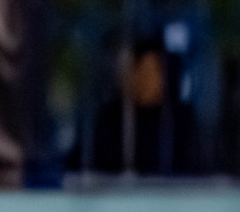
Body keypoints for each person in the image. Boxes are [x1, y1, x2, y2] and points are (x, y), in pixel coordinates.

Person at [82, 38, 198, 175]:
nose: (148, 79)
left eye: (155, 71)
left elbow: (194, 170)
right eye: (142, 71)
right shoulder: (111, 117)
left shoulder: (181, 120)